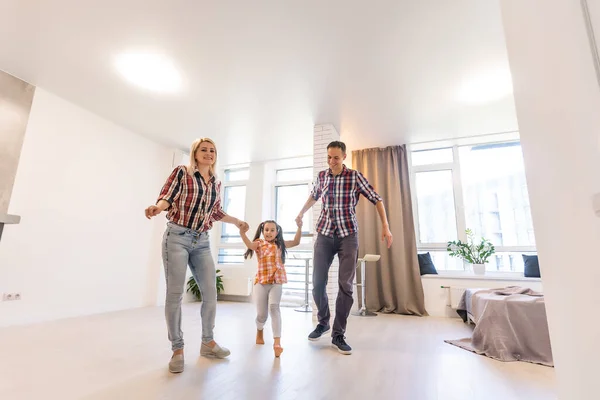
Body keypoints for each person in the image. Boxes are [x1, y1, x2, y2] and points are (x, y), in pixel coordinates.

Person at [145, 137, 249, 373]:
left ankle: (207, 343)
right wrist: (157, 208)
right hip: (177, 237)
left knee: (211, 292)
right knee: (175, 294)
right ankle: (178, 349)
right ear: (195, 153)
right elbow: (167, 196)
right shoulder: (182, 173)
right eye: (204, 149)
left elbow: (216, 212)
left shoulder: (216, 183)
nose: (208, 153)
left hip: (202, 241)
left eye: (212, 150)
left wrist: (236, 222)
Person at [295, 140, 393, 355]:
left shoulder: (354, 177)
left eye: (336, 157)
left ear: (344, 157)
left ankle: (338, 333)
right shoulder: (322, 176)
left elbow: (377, 199)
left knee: (345, 285)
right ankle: (323, 322)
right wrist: (301, 212)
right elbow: (314, 195)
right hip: (324, 234)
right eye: (329, 157)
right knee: (317, 282)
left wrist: (385, 226)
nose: (332, 161)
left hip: (348, 236)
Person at [240, 219, 302, 357]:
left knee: (275, 308)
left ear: (277, 232)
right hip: (261, 282)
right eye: (266, 230)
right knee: (262, 315)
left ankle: (277, 343)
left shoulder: (280, 244)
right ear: (263, 231)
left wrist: (299, 227)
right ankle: (259, 330)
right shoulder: (259, 243)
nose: (269, 232)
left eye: (272, 230)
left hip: (276, 282)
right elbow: (249, 245)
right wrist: (242, 233)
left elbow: (296, 241)